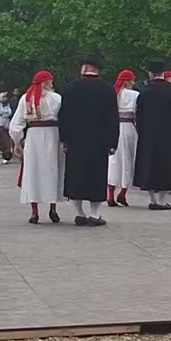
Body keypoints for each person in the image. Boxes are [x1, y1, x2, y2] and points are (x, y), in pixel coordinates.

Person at [58, 54, 119, 226]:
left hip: (76, 141)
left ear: (83, 69)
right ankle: (94, 214)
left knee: (76, 176)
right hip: (98, 142)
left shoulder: (71, 88)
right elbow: (112, 118)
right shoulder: (107, 90)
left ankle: (79, 213)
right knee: (96, 177)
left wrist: (65, 139)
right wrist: (112, 142)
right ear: (97, 70)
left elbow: (64, 116)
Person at [9, 70, 64, 224]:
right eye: (50, 81)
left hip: (34, 136)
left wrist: (17, 141)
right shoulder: (57, 98)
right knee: (53, 170)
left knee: (34, 172)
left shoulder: (25, 99)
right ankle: (53, 208)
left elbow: (16, 123)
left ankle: (34, 212)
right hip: (53, 135)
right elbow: (65, 119)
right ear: (46, 82)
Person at [134, 61, 171, 210]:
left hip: (148, 135)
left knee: (149, 165)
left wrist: (141, 132)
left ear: (150, 73)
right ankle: (162, 200)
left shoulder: (144, 92)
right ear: (164, 73)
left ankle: (152, 199)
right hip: (167, 136)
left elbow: (139, 115)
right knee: (166, 167)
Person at [106, 69, 138, 207]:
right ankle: (123, 192)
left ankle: (110, 194)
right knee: (129, 159)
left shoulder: (112, 94)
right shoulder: (134, 95)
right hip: (129, 127)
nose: (133, 83)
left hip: (114, 127)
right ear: (127, 81)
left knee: (114, 161)